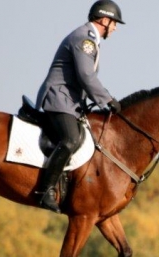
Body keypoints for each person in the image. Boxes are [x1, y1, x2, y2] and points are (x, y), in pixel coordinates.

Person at [35, 0, 125, 213]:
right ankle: (45, 191)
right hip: (59, 100)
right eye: (114, 23)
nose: (115, 28)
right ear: (104, 20)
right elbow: (86, 75)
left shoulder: (90, 39)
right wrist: (107, 99)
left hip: (71, 102)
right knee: (71, 139)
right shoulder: (85, 39)